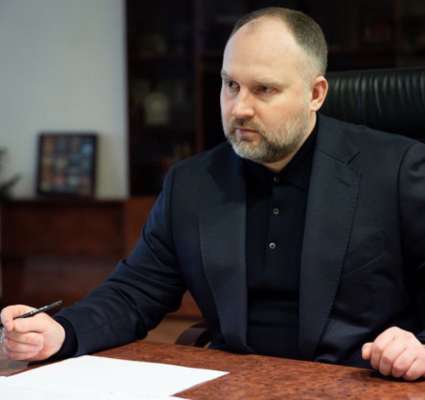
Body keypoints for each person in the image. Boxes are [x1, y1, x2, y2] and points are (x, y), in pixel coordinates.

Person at [2, 7, 425, 381]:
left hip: (356, 383)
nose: (239, 108)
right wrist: (62, 332)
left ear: (315, 94)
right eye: (230, 85)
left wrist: (419, 346)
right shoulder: (192, 183)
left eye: (264, 89)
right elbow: (135, 292)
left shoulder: (395, 170)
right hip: (233, 384)